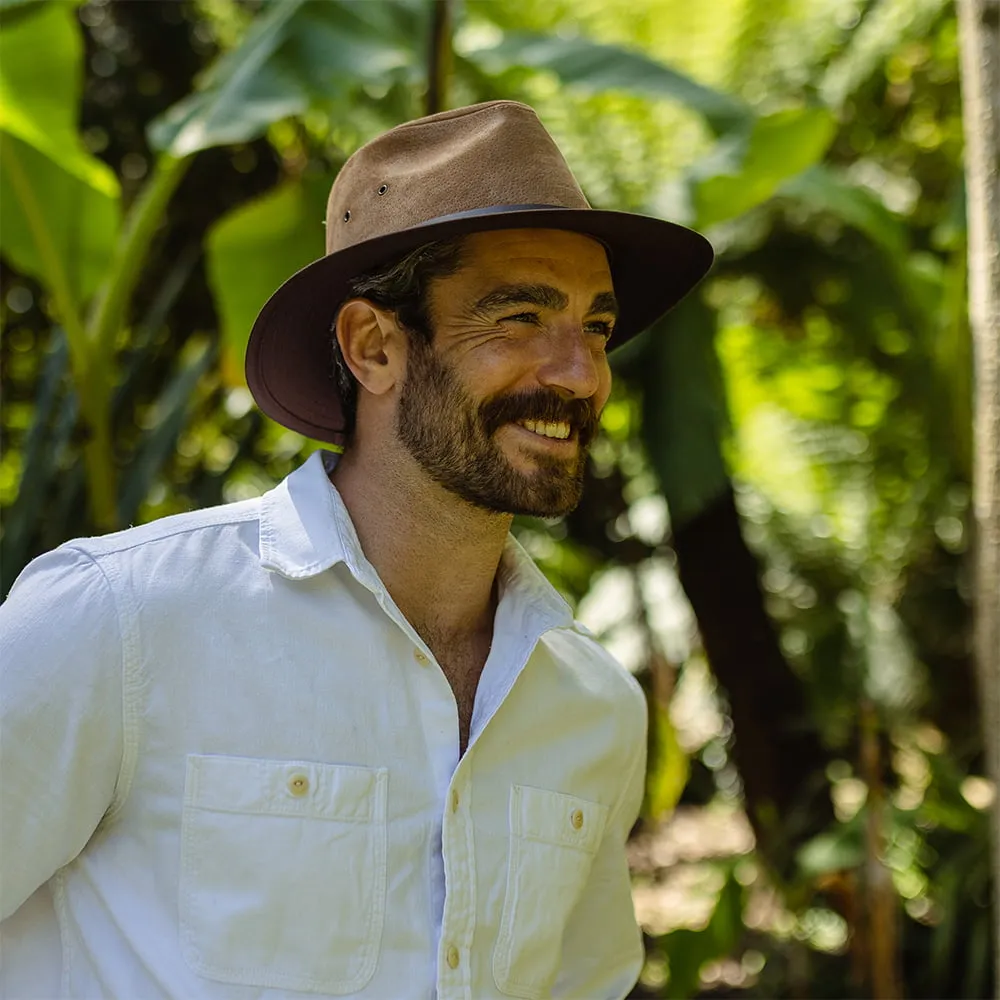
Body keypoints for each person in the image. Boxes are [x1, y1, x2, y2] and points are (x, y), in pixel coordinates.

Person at [0, 101, 712, 999]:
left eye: (597, 327)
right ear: (373, 347)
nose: (580, 373)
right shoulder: (119, 621)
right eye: (522, 318)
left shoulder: (594, 709)